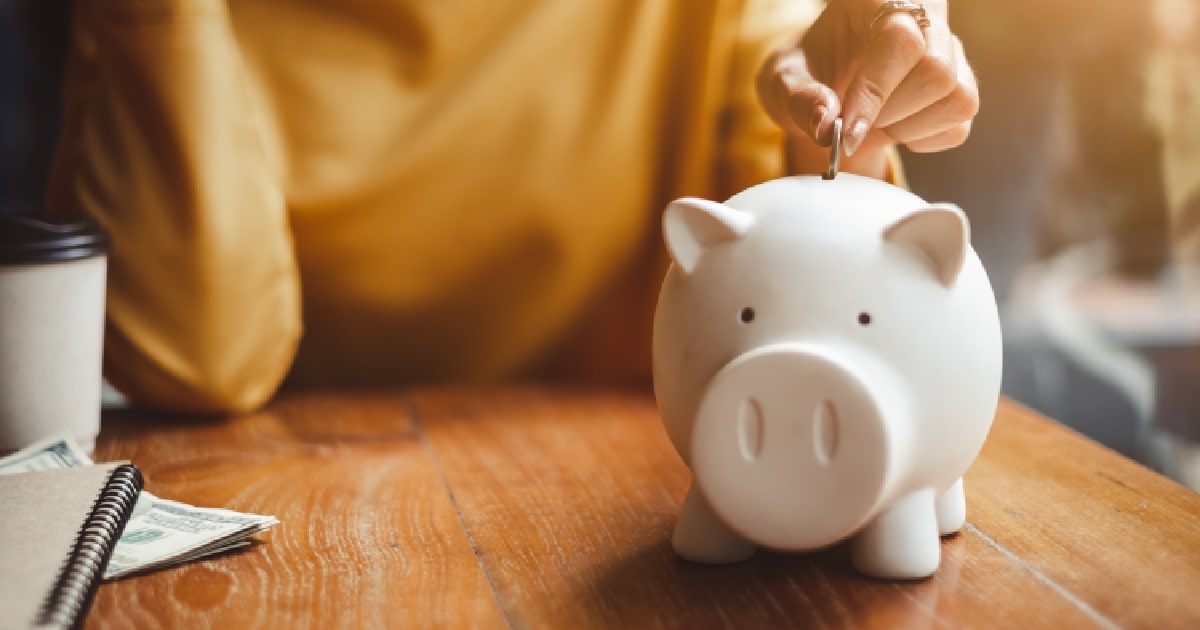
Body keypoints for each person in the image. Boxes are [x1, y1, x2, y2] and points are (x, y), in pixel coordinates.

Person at [45, 0, 977, 413]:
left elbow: (779, 96)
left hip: (627, 466)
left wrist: (835, 98)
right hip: (285, 462)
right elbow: (193, 357)